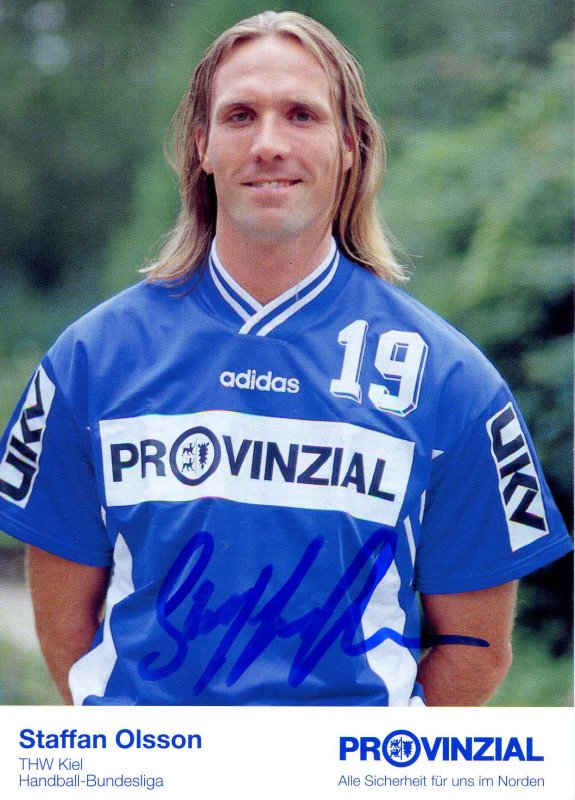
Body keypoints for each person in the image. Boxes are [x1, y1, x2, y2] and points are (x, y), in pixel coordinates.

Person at [0, 10, 571, 707]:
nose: (269, 144)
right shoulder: (88, 363)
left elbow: (476, 650)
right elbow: (65, 632)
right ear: (203, 145)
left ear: (350, 145)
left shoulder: (452, 382)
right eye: (240, 116)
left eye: (301, 115)